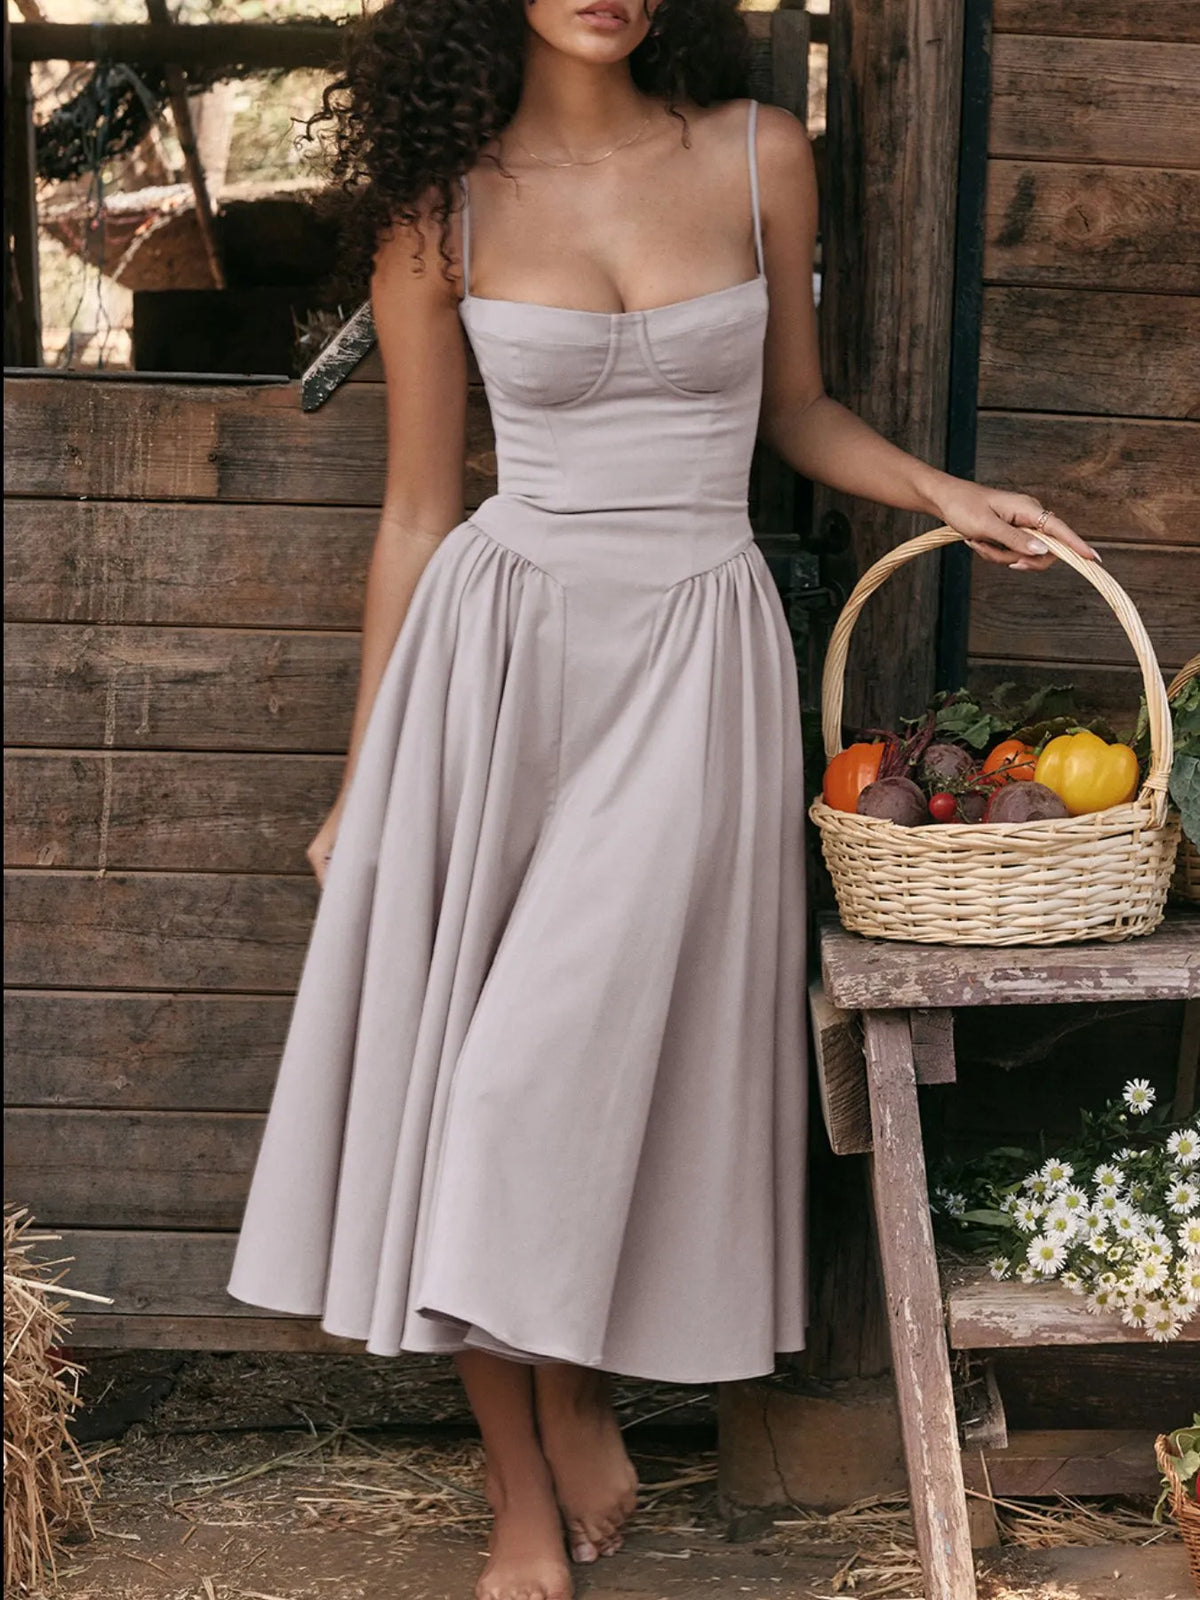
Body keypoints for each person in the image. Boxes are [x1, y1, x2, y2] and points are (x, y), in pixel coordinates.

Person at [226, 4, 1099, 1597]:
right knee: (473, 1091)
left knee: (572, 1065)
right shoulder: (445, 206)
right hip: (500, 669)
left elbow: (793, 414)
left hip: (697, 655)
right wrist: (367, 776)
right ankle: (523, 1487)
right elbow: (420, 512)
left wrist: (947, 494)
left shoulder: (759, 156)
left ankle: (574, 1392)